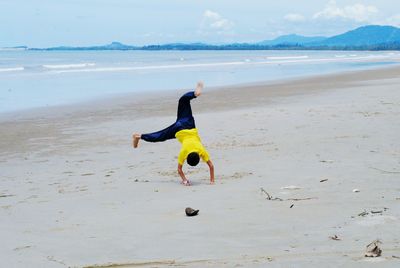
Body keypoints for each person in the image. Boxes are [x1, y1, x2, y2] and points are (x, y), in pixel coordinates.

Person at [132, 81, 214, 186]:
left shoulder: (201, 150)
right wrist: (184, 180)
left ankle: (194, 94)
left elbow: (211, 166)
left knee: (183, 101)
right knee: (160, 136)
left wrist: (212, 180)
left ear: (198, 155)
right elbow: (179, 170)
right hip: (178, 130)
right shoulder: (184, 152)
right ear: (187, 157)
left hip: (188, 123)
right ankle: (139, 136)